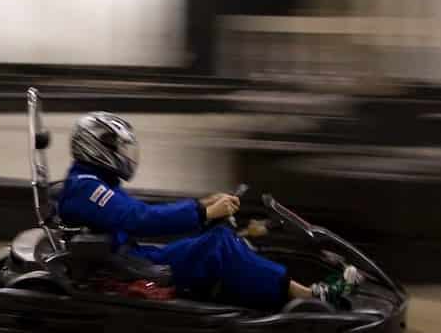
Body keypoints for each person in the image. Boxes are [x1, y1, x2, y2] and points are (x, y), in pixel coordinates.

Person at [56, 111, 360, 310]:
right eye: (117, 147)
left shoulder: (93, 181)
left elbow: (136, 212)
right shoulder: (86, 187)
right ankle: (309, 297)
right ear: (95, 147)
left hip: (131, 255)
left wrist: (200, 204)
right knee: (218, 244)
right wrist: (203, 213)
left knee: (219, 236)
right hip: (129, 265)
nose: (124, 155)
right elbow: (139, 219)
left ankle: (272, 288)